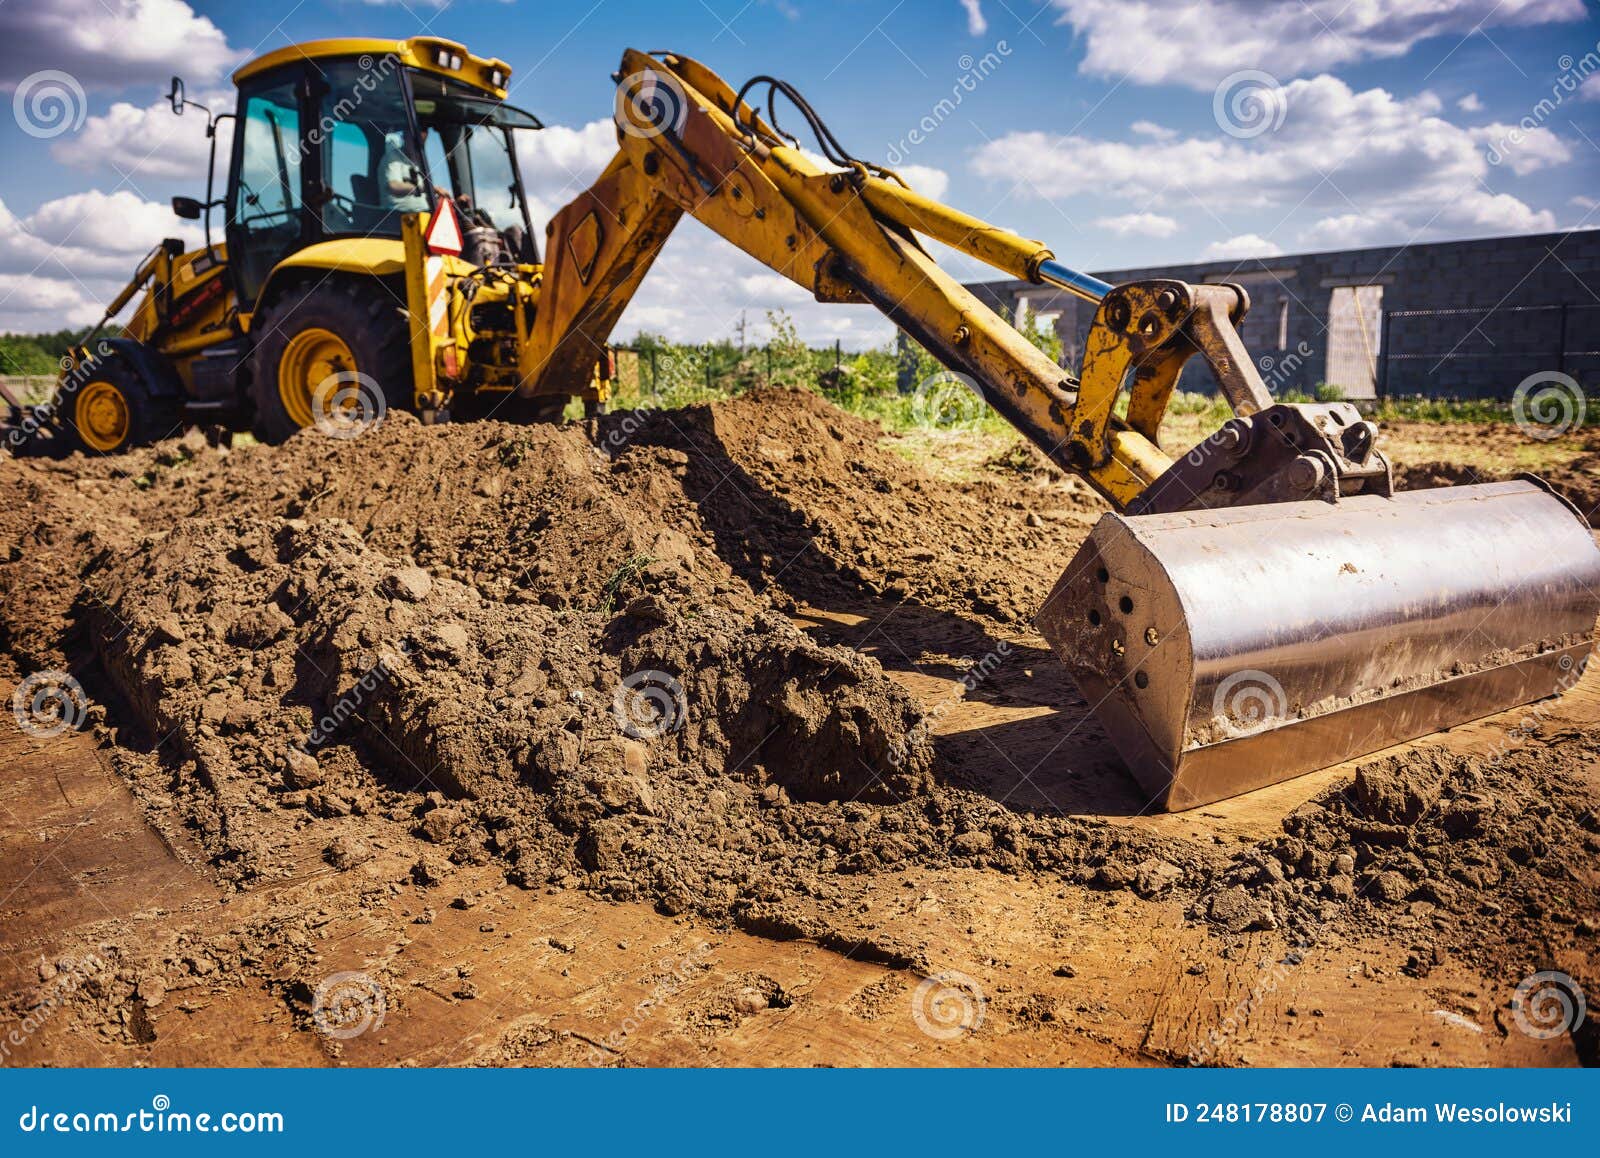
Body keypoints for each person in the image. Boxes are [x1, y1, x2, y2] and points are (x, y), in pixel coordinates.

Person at [382, 130, 431, 213]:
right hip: (397, 217)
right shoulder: (393, 157)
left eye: (421, 144)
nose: (418, 147)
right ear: (405, 138)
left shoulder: (418, 163)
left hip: (422, 214)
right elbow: (394, 186)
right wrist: (427, 188)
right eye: (416, 143)